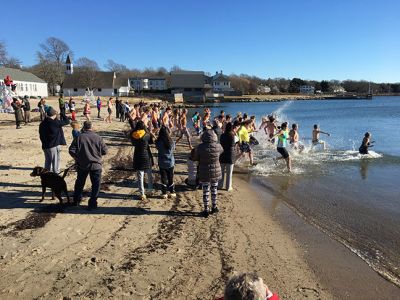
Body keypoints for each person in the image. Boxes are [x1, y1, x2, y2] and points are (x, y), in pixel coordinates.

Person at [69, 121, 108, 209]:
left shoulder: (79, 137)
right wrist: (97, 153)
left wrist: (77, 158)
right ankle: (93, 203)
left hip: (82, 165)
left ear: (84, 127)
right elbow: (105, 151)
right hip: (96, 165)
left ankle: (76, 200)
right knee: (96, 185)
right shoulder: (98, 138)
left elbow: (71, 150)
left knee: (80, 183)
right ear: (92, 127)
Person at [194, 129, 223, 217]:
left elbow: (196, 157)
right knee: (214, 189)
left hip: (204, 171)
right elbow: (221, 152)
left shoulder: (200, 147)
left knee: (205, 190)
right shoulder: (218, 146)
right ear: (214, 136)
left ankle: (206, 209)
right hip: (216, 170)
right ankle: (214, 207)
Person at [39, 108, 68, 174]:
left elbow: (40, 135)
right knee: (55, 161)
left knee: (48, 161)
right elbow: (67, 121)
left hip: (45, 145)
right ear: (54, 114)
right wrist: (62, 114)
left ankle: (46, 174)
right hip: (53, 145)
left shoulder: (43, 123)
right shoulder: (54, 123)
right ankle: (56, 174)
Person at [131, 120, 154, 200]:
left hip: (138, 155)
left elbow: (133, 143)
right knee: (149, 174)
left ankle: (142, 193)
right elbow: (151, 142)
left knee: (140, 175)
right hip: (146, 154)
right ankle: (150, 190)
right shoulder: (146, 135)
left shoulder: (133, 134)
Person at [155, 126, 176, 199]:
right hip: (170, 162)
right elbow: (173, 149)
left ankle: (164, 193)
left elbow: (157, 148)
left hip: (162, 162)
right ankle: (172, 192)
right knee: (171, 178)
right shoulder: (171, 141)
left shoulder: (158, 142)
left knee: (163, 178)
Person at [219, 122, 236, 191]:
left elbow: (221, 143)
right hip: (230, 155)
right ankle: (228, 187)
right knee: (229, 173)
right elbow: (233, 145)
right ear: (232, 128)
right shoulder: (232, 135)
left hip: (222, 154)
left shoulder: (222, 135)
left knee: (221, 172)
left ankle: (220, 185)